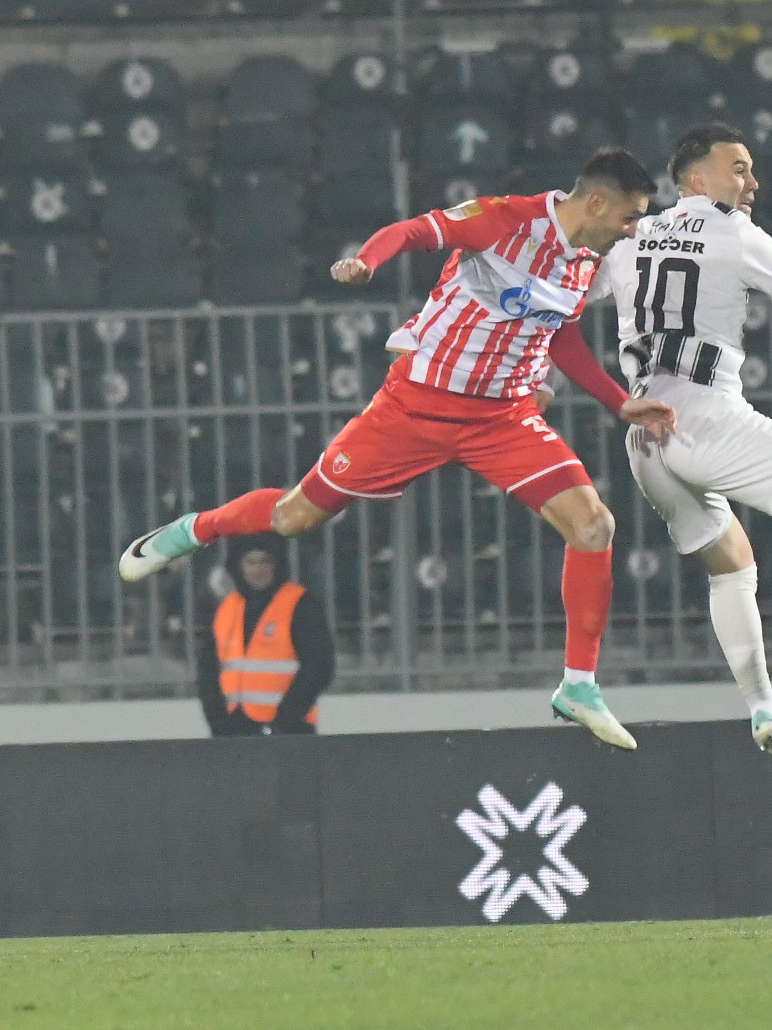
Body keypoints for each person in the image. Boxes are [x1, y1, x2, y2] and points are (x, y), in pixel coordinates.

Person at [119, 148, 676, 751]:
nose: (632, 229)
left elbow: (560, 333)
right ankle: (195, 529)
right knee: (293, 519)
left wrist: (617, 402)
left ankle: (579, 685)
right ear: (595, 201)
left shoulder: (585, 260)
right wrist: (367, 260)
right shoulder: (505, 219)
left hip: (503, 417)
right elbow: (414, 231)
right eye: (628, 216)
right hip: (414, 408)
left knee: (594, 526)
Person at [591, 122, 772, 767]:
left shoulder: (629, 237)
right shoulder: (735, 232)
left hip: (646, 440)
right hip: (706, 417)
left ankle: (765, 710)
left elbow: (571, 297)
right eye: (739, 168)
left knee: (734, 569)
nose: (751, 182)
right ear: (696, 180)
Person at [198, 535, 334, 737]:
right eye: (251, 562)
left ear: (277, 565)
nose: (258, 569)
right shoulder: (226, 608)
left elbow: (318, 665)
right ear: (238, 567)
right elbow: (207, 670)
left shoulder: (300, 604)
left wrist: (286, 719)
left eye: (265, 561)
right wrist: (217, 721)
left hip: (289, 731)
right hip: (234, 730)